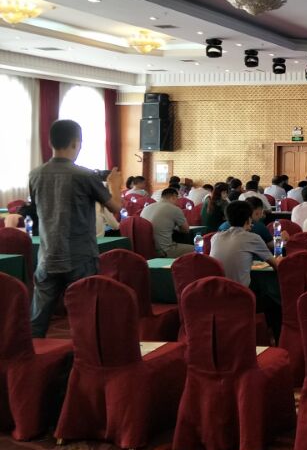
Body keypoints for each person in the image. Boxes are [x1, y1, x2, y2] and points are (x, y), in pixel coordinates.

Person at [29, 119, 123, 337]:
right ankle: (83, 357)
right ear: (76, 143)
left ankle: (32, 357)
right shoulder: (85, 175)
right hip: (80, 257)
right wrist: (114, 185)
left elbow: (37, 209)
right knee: (84, 320)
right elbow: (116, 207)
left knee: (36, 323)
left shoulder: (35, 174)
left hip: (47, 255)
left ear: (50, 142)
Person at [210, 200, 278, 287]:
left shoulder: (215, 237)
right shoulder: (253, 238)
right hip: (239, 291)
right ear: (248, 219)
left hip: (216, 290)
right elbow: (276, 265)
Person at [141, 187, 194, 258]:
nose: (178, 202)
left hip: (147, 250)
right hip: (164, 250)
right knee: (197, 249)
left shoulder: (146, 208)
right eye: (177, 199)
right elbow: (186, 230)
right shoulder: (174, 209)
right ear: (174, 197)